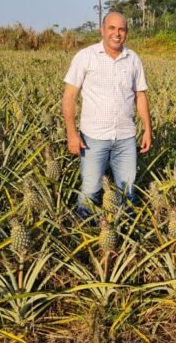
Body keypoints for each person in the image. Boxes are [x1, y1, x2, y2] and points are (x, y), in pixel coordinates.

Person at [62, 12, 153, 217]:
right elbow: (69, 97)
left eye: (121, 29)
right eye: (111, 28)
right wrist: (71, 133)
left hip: (125, 137)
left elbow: (140, 95)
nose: (116, 33)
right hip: (93, 137)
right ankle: (87, 232)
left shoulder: (133, 59)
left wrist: (147, 129)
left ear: (126, 33)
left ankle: (126, 235)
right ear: (102, 30)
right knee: (90, 191)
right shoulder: (86, 56)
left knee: (128, 192)